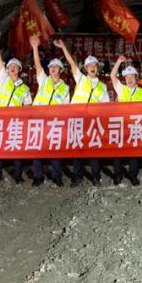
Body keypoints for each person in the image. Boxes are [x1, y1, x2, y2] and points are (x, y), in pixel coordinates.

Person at [54, 38, 109, 187]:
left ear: (98, 68)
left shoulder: (102, 86)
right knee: (78, 150)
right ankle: (77, 177)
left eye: (94, 65)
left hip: (93, 121)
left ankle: (95, 177)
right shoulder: (81, 79)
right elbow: (72, 63)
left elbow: (106, 107)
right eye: (89, 65)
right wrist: (63, 47)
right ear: (85, 69)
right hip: (78, 119)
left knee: (93, 150)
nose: (92, 68)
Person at [0, 31, 31, 184]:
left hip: (15, 122)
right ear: (7, 70)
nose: (12, 68)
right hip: (0, 119)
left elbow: (28, 106)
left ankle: (18, 176)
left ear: (20, 70)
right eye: (10, 66)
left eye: (16, 67)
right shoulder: (4, 79)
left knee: (16, 148)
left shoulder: (25, 89)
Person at [30, 35, 69, 187]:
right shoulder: (44, 80)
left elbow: (66, 108)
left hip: (54, 122)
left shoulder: (65, 88)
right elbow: (37, 65)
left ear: (61, 70)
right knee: (37, 149)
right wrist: (35, 47)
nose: (52, 69)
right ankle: (37, 177)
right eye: (51, 67)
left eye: (56, 67)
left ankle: (56, 176)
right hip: (39, 120)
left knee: (55, 150)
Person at [110, 55, 142, 186]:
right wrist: (118, 62)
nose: (129, 79)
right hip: (122, 125)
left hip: (136, 126)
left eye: (132, 77)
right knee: (118, 152)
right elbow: (112, 76)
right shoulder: (121, 89)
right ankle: (117, 175)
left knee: (134, 153)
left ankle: (133, 175)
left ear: (136, 78)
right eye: (127, 77)